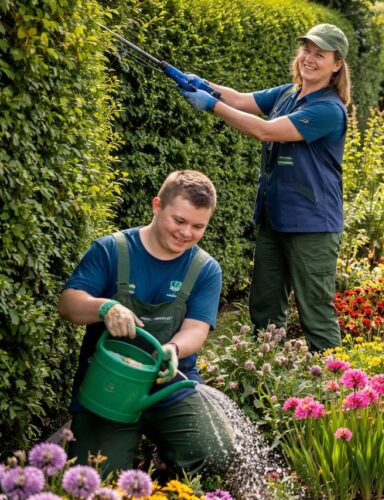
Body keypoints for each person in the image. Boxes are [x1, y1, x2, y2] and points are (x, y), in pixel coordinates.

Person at [178, 24, 350, 351]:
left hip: (313, 224)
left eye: (320, 55)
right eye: (306, 51)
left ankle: (334, 390)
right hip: (276, 218)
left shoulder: (328, 109)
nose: (309, 59)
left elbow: (265, 131)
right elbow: (242, 100)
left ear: (337, 64)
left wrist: (210, 104)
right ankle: (266, 375)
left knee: (315, 312)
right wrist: (205, 85)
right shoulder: (288, 93)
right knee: (265, 306)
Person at [59, 170, 233, 475]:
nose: (186, 233)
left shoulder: (205, 268)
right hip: (109, 389)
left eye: (198, 226)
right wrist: (106, 307)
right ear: (157, 206)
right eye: (179, 221)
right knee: (94, 480)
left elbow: (196, 328)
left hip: (170, 387)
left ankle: (166, 470)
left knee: (216, 451)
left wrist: (174, 349)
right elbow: (68, 304)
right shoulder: (111, 250)